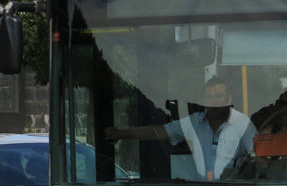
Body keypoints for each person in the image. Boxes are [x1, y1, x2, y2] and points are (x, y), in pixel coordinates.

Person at [106, 76, 256, 180]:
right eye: (210, 97)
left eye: (219, 96)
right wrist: (122, 133)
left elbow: (259, 156)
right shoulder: (195, 122)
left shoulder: (242, 124)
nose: (215, 102)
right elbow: (159, 131)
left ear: (229, 99)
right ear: (204, 101)